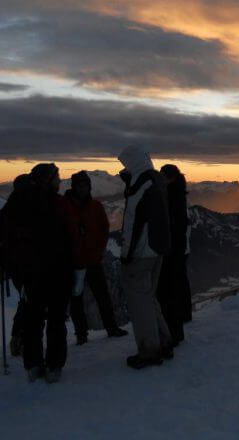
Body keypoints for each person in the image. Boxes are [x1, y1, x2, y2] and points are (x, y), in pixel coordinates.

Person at [2, 164, 72, 382]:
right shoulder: (54, 202)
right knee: (56, 320)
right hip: (55, 271)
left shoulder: (16, 201)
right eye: (57, 177)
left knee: (33, 320)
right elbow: (66, 237)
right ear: (47, 179)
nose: (60, 181)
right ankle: (54, 366)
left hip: (28, 275)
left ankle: (33, 365)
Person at [118, 145, 172, 369]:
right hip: (157, 250)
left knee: (139, 303)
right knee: (149, 298)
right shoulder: (157, 181)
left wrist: (126, 254)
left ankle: (149, 351)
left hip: (141, 253)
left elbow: (133, 223)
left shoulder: (140, 186)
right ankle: (163, 341)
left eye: (125, 163)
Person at [64, 171, 127, 345]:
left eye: (85, 185)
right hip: (74, 262)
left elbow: (104, 229)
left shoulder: (95, 206)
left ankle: (111, 328)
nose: (83, 188)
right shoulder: (65, 206)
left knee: (102, 296)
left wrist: (99, 250)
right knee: (77, 300)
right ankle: (82, 334)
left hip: (92, 260)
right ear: (74, 187)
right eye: (80, 185)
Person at [156, 164, 190, 346]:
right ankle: (179, 325)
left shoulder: (170, 195)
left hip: (170, 249)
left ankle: (173, 332)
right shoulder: (179, 193)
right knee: (176, 285)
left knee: (168, 290)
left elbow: (172, 224)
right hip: (178, 248)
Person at [0, 174, 32, 358]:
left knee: (26, 299)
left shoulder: (7, 209)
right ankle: (22, 337)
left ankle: (19, 336)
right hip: (25, 263)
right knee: (29, 300)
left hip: (15, 264)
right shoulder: (25, 208)